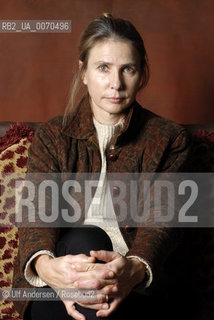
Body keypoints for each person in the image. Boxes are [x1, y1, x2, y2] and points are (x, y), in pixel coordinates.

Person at [12, 13, 191, 320]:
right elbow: (36, 215)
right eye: (103, 68)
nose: (116, 83)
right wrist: (46, 266)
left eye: (128, 69)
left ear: (141, 73)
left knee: (93, 262)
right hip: (60, 281)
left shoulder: (169, 139)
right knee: (85, 241)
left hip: (134, 287)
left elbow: (162, 224)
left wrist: (133, 267)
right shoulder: (53, 136)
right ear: (84, 72)